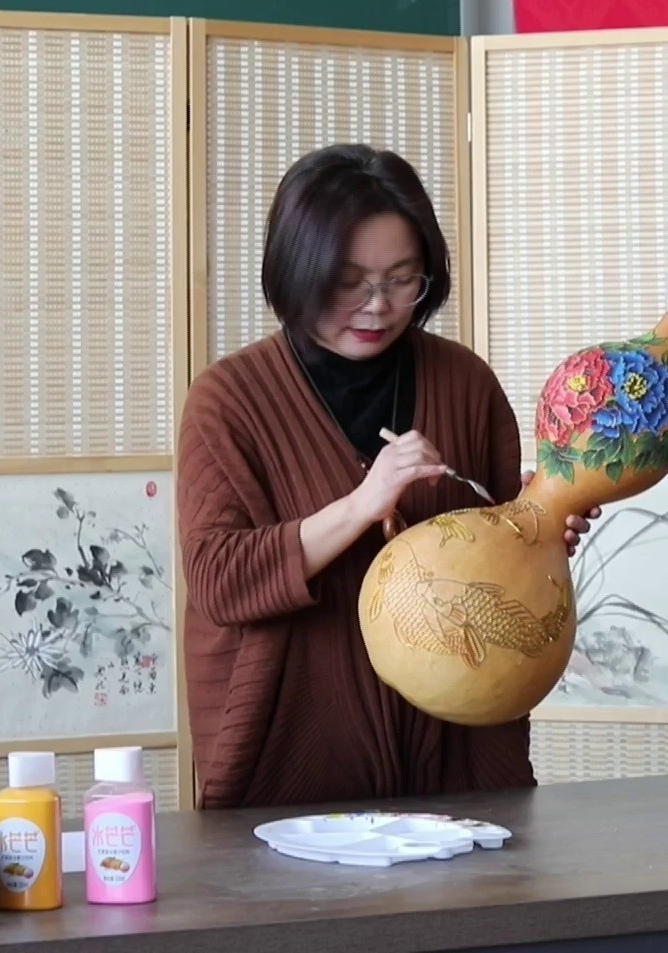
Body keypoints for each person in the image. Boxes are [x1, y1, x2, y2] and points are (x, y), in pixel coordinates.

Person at [176, 144, 601, 809]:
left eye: (403, 280)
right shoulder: (227, 402)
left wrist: (538, 527)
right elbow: (218, 579)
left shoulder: (466, 384)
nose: (378, 306)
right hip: (292, 748)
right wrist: (362, 503)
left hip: (456, 747)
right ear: (296, 272)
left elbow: (498, 559)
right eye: (349, 282)